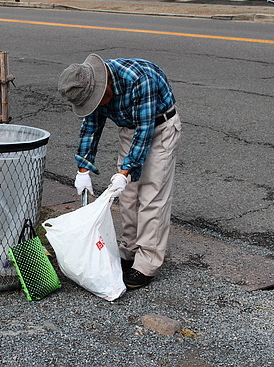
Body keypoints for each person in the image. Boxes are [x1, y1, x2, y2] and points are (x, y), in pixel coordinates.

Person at [58, 54, 182, 290]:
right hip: (129, 128)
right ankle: (129, 250)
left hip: (159, 128)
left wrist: (125, 172)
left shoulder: (138, 79)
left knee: (151, 195)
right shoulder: (90, 86)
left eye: (98, 99)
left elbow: (145, 132)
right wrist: (83, 168)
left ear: (105, 85)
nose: (99, 104)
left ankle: (146, 264)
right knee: (126, 196)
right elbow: (91, 126)